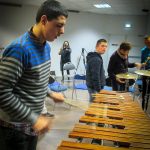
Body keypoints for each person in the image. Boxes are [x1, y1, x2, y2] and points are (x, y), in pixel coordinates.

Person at [0, 0, 68, 150]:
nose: (62, 31)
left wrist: (50, 93)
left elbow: (38, 81)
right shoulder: (20, 49)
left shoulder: (46, 48)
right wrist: (34, 119)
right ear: (44, 20)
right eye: (59, 25)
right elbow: (2, 93)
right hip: (14, 131)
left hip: (32, 126)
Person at [141, 35, 150, 110]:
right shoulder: (143, 50)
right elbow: (142, 62)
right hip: (146, 72)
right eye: (146, 43)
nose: (147, 44)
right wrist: (143, 64)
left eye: (148, 42)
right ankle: (143, 108)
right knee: (144, 91)